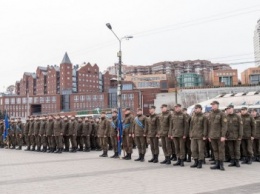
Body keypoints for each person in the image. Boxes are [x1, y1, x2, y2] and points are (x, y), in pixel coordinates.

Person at [208, 101, 227, 171]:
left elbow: (224, 126)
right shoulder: (211, 114)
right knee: (215, 150)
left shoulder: (222, 114)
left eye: (214, 105)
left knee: (221, 150)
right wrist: (209, 136)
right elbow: (209, 126)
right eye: (212, 105)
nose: (212, 106)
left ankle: (221, 164)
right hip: (212, 136)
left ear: (217, 105)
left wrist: (223, 136)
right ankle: (217, 163)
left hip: (219, 136)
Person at [189, 104, 208, 169]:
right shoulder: (193, 116)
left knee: (200, 150)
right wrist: (190, 134)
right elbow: (191, 127)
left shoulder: (203, 117)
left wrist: (204, 135)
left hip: (200, 136)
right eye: (195, 108)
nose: (196, 109)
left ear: (200, 109)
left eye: (197, 108)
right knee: (193, 149)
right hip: (194, 136)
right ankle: (195, 162)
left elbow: (205, 127)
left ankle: (200, 163)